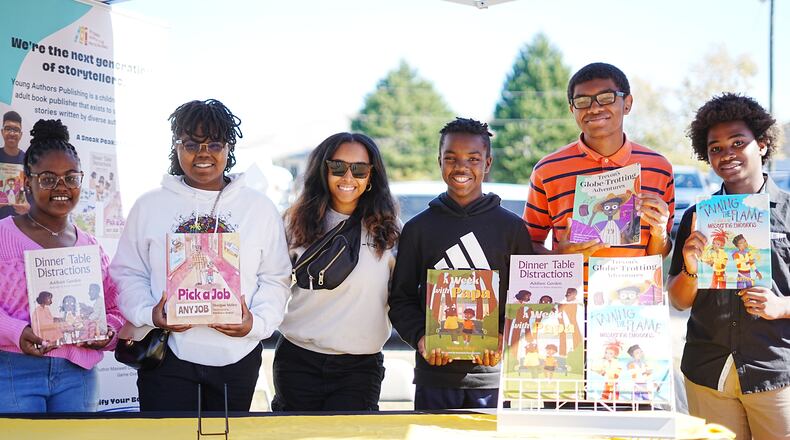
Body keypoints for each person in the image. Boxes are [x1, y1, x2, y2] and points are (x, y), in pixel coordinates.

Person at [110, 99, 291, 412]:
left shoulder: (259, 208)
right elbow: (128, 272)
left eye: (214, 143)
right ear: (176, 146)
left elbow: (275, 277)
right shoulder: (149, 206)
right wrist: (149, 312)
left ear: (229, 147)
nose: (203, 152)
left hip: (237, 357)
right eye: (191, 143)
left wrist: (255, 324)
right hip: (166, 357)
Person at [666, 93, 790, 439]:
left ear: (762, 144)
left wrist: (781, 307)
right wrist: (691, 267)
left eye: (738, 142)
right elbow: (679, 300)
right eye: (715, 148)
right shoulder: (697, 217)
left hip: (776, 370)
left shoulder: (788, 213)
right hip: (709, 372)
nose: (727, 154)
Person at [388, 117, 534, 410]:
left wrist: (505, 337)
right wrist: (421, 337)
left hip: (493, 378)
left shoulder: (512, 229)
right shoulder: (418, 229)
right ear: (439, 161)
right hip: (434, 377)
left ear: (488, 163)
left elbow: (525, 300)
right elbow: (401, 299)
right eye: (451, 158)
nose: (461, 166)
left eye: (473, 158)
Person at [0, 119, 123, 412]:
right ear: (26, 180)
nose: (61, 187)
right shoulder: (3, 236)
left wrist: (107, 334)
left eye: (70, 178)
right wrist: (16, 331)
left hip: (77, 374)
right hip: (13, 370)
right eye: (47, 179)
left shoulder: (91, 247)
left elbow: (115, 308)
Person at [272, 132, 400, 411]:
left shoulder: (389, 231)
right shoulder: (294, 223)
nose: (348, 177)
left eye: (359, 169)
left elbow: (402, 296)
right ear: (324, 169)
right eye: (338, 167)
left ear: (371, 176)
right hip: (298, 360)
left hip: (359, 368)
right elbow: (273, 284)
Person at [524, 63, 674, 280]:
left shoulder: (659, 168)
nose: (594, 108)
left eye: (606, 98)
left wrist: (660, 231)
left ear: (628, 103)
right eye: (582, 101)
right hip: (570, 303)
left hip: (633, 304)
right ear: (571, 109)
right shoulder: (547, 171)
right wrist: (558, 256)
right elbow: (529, 242)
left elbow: (658, 255)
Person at [1, 111, 28, 219]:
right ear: (2, 132)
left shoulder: (28, 160)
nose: (12, 133)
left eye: (16, 130)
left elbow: (33, 194)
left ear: (21, 134)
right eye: (8, 129)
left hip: (20, 224)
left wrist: (28, 208)